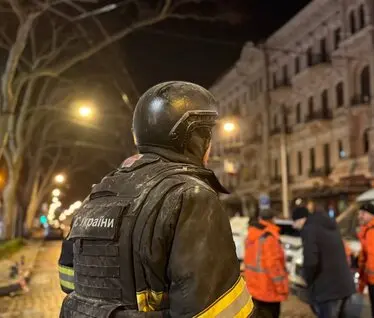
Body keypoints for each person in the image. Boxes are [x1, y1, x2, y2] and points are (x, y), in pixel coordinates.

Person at [58, 81, 254, 318]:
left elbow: (68, 280)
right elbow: (216, 311)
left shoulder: (98, 194)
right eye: (208, 135)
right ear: (195, 138)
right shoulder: (190, 195)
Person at [292, 206, 355, 318]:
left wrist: (307, 279)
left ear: (301, 219)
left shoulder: (309, 230)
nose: (294, 226)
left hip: (327, 289)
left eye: (295, 222)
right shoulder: (329, 226)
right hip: (344, 285)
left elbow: (311, 261)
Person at [244, 209, 288, 318]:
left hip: (254, 289)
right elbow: (273, 266)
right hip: (268, 292)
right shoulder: (270, 238)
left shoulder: (251, 236)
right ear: (273, 219)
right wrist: (282, 288)